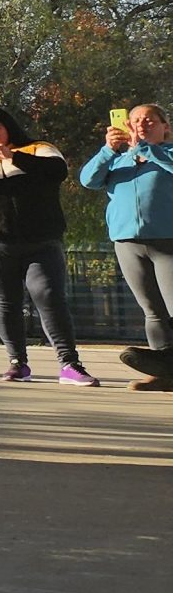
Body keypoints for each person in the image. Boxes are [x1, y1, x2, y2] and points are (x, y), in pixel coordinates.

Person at [0, 105, 100, 386]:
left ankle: (69, 364)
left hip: (41, 240)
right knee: (5, 301)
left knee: (48, 295)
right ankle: (17, 363)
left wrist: (12, 156)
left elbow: (57, 171)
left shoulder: (39, 148)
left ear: (8, 125)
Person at [83, 104, 173, 388]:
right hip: (127, 242)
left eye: (149, 120)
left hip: (168, 240)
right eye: (134, 120)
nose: (141, 124)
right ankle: (164, 374)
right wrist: (108, 150)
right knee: (152, 310)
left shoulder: (167, 154)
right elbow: (88, 180)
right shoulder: (117, 160)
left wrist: (147, 149)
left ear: (165, 127)